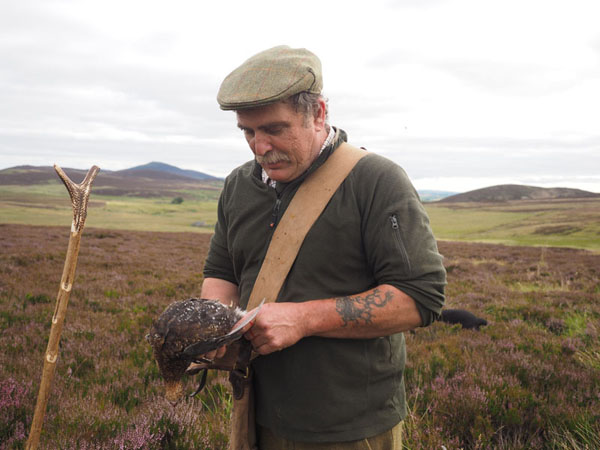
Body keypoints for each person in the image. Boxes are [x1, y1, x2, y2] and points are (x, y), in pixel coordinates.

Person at [201, 45, 446, 450]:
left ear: (318, 113)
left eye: (275, 129)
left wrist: (303, 320)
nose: (259, 147)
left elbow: (421, 296)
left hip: (351, 426)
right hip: (253, 412)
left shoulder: (376, 181)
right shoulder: (237, 186)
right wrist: (212, 331)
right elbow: (222, 273)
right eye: (248, 132)